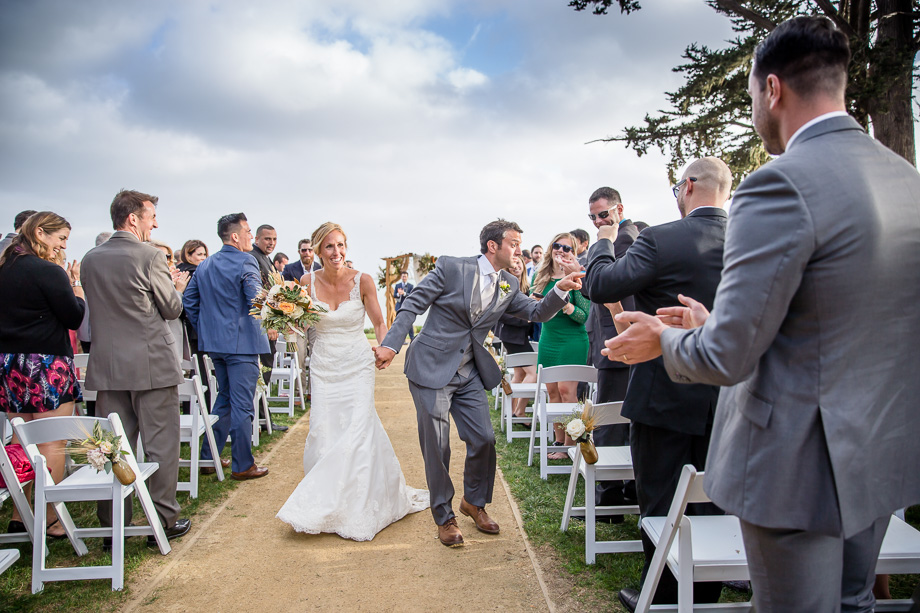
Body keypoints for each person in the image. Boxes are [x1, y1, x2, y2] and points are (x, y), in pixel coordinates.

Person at [605, 16, 920, 613]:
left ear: (771, 89)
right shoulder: (905, 179)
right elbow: (840, 319)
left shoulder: (778, 185)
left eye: (752, 95)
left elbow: (728, 357)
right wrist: (708, 323)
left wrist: (663, 342)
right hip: (881, 447)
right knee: (854, 603)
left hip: (797, 460)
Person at [374, 219, 584, 547]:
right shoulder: (450, 268)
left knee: (484, 439)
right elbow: (412, 304)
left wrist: (560, 289)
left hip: (469, 371)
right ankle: (444, 516)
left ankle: (474, 503)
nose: (519, 251)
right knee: (438, 445)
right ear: (493, 246)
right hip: (430, 368)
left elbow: (537, 312)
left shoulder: (509, 285)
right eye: (513, 244)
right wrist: (390, 342)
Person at [583, 157, 731, 611]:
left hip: (665, 385)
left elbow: (601, 283)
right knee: (714, 493)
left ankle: (663, 594)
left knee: (662, 495)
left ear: (687, 187)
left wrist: (604, 242)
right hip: (728, 391)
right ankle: (704, 592)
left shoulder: (661, 238)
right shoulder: (754, 239)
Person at [277, 222, 429, 540]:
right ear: (317, 250)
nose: (337, 252)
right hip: (323, 367)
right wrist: (281, 320)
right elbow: (301, 325)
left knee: (358, 429)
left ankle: (360, 502)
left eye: (342, 245)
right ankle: (326, 502)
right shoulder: (305, 282)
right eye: (330, 246)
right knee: (324, 429)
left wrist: (386, 347)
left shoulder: (363, 280)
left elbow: (378, 320)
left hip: (357, 364)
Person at [81, 190, 191, 545]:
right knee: (161, 445)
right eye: (150, 217)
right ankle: (163, 519)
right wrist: (175, 288)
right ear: (133, 219)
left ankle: (114, 525)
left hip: (107, 367)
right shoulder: (148, 256)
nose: (155, 223)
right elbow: (172, 309)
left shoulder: (89, 259)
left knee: (113, 447)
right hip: (151, 364)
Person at [0, 212, 84, 539]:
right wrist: (75, 283)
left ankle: (20, 515)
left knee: (22, 442)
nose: (63, 245)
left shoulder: (4, 268)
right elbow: (74, 316)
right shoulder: (48, 271)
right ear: (40, 233)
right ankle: (48, 517)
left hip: (10, 365)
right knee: (51, 442)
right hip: (46, 364)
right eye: (61, 238)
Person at [183, 213, 270, 481]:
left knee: (224, 398)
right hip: (242, 344)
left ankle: (209, 457)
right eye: (247, 231)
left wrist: (207, 329)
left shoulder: (205, 265)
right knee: (243, 404)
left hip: (215, 345)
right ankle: (242, 464)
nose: (250, 236)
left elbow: (188, 300)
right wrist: (274, 309)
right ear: (235, 236)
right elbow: (254, 298)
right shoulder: (247, 260)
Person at [581, 186, 639, 511]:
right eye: (592, 217)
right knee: (617, 418)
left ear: (619, 209)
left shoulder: (624, 238)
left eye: (603, 214)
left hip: (618, 342)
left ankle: (609, 495)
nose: (598, 222)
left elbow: (595, 286)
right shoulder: (615, 236)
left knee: (611, 420)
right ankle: (622, 489)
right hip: (611, 337)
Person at [531, 232, 591, 459]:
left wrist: (565, 306)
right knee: (552, 391)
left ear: (574, 253)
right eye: (557, 246)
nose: (561, 251)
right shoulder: (543, 276)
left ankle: (572, 443)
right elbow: (533, 304)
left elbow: (584, 316)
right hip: (548, 339)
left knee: (568, 391)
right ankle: (558, 440)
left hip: (572, 340)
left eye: (567, 248)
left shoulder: (578, 276)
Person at [249, 225, 288, 432]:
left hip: (269, 325)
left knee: (266, 372)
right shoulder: (253, 258)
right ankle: (261, 419)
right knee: (262, 373)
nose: (271, 242)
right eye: (267, 239)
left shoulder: (268, 260)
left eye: (274, 239)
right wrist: (269, 323)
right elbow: (258, 296)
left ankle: (264, 418)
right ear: (256, 238)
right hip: (263, 327)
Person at [493, 256, 535, 423]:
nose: (517, 266)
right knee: (534, 373)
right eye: (513, 263)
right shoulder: (505, 286)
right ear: (508, 267)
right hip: (512, 336)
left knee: (519, 374)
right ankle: (520, 411)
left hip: (520, 335)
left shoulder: (525, 286)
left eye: (519, 263)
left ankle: (510, 411)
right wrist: (525, 320)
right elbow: (501, 314)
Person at [393, 271, 415, 342]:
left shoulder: (411, 286)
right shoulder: (397, 285)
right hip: (399, 307)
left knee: (409, 323)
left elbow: (412, 295)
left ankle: (412, 339)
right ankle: (401, 340)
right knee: (399, 323)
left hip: (408, 307)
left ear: (407, 277)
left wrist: (404, 293)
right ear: (401, 277)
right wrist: (398, 294)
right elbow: (394, 295)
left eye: (405, 276)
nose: (404, 278)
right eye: (403, 276)